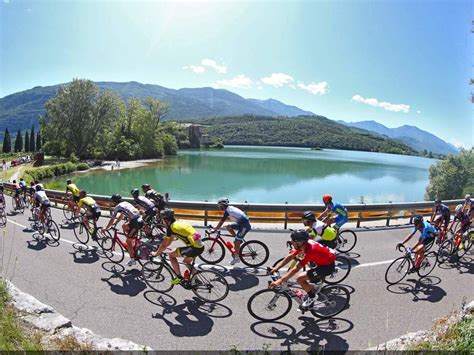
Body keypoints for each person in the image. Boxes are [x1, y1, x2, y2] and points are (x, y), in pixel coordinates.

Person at [270, 230, 336, 310]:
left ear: (300, 242)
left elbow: (296, 268)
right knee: (305, 277)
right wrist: (276, 268)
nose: (291, 243)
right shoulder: (304, 245)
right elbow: (290, 256)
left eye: (293, 241)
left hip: (326, 267)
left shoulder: (309, 251)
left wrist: (280, 281)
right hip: (321, 261)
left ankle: (312, 297)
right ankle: (313, 287)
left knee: (300, 278)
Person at [151, 209, 204, 285]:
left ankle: (178, 277)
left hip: (193, 248)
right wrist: (163, 248)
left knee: (171, 255)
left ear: (166, 220)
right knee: (186, 262)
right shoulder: (179, 223)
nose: (162, 221)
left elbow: (164, 245)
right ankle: (196, 279)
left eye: (162, 219)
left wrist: (156, 253)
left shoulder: (171, 228)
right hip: (200, 246)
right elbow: (168, 242)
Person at [103, 194, 144, 267]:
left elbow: (112, 219)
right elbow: (121, 216)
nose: (111, 203)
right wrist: (115, 223)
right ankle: (133, 241)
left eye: (112, 201)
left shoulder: (117, 207)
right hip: (139, 219)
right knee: (124, 226)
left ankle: (132, 260)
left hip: (135, 223)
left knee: (128, 242)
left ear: (114, 201)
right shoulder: (125, 203)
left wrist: (106, 228)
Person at [211, 198, 252, 265]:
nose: (219, 207)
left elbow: (221, 222)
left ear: (223, 205)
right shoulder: (230, 208)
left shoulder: (228, 211)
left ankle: (237, 258)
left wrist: (215, 229)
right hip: (241, 224)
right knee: (228, 227)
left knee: (236, 242)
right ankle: (238, 240)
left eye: (219, 206)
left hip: (245, 226)